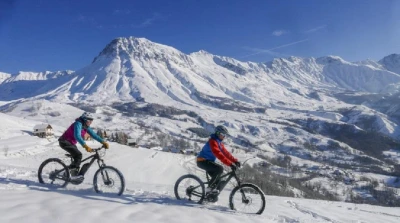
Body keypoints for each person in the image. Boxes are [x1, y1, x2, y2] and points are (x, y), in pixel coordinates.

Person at [58, 112, 109, 180]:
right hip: (64, 141)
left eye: (91, 120)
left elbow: (94, 135)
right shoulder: (78, 124)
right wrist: (85, 146)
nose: (91, 122)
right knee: (78, 155)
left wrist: (103, 142)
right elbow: (77, 136)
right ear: (85, 119)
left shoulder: (85, 126)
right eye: (89, 120)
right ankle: (73, 175)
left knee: (76, 158)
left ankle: (68, 172)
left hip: (71, 143)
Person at [197, 125, 241, 194]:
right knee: (219, 169)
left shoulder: (219, 143)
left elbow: (226, 153)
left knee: (218, 181)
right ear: (217, 133)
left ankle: (210, 196)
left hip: (208, 162)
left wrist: (235, 161)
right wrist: (230, 164)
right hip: (202, 161)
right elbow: (218, 154)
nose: (224, 136)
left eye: (225, 135)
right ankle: (209, 189)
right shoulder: (213, 141)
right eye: (223, 134)